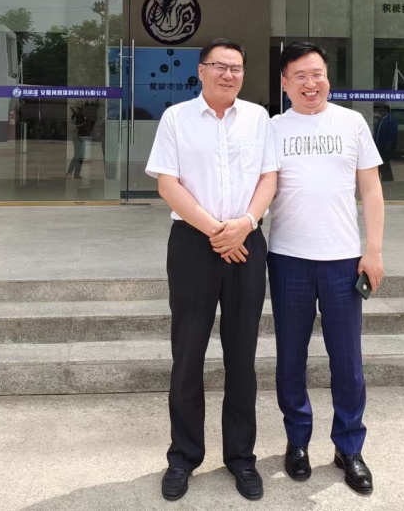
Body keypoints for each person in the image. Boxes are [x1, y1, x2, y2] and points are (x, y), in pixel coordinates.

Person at [146, 38, 278, 502]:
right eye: (219, 66)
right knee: (187, 354)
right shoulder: (176, 118)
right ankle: (183, 456)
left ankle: (241, 457)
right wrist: (216, 231)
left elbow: (269, 177)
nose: (228, 74)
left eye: (236, 67)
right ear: (200, 71)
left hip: (246, 241)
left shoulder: (259, 118)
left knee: (242, 355)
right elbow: (168, 184)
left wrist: (245, 225)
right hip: (193, 243)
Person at [268, 41, 386, 495]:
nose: (310, 83)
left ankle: (349, 447)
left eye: (316, 73)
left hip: (343, 260)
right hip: (288, 258)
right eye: (299, 76)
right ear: (285, 83)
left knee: (348, 360)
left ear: (328, 79)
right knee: (290, 358)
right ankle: (297, 441)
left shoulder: (351, 123)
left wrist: (373, 250)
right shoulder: (272, 129)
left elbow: (371, 190)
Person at [372, 102, 398, 182]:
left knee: (384, 163)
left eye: (381, 110)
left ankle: (388, 179)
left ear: (385, 111)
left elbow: (393, 133)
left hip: (385, 146)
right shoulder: (381, 120)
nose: (379, 112)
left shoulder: (390, 120)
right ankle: (381, 179)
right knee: (380, 164)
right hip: (379, 146)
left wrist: (389, 144)